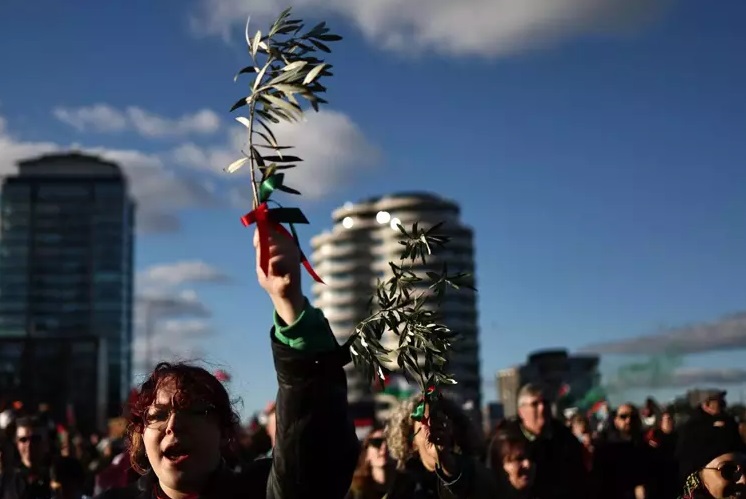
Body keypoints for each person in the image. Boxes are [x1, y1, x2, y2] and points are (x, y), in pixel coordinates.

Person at [96, 226, 359, 498]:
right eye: (158, 415)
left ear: (224, 432)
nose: (173, 425)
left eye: (193, 411)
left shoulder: (261, 490)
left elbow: (315, 458)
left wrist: (289, 305)